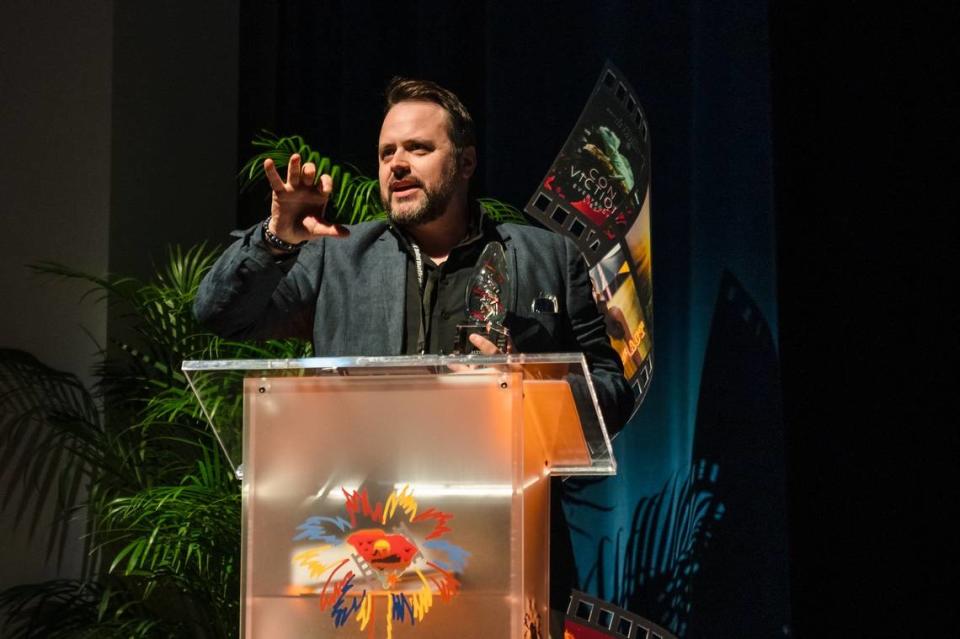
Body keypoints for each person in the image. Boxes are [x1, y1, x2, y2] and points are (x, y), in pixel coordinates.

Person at [194, 77, 633, 432]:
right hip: (370, 517)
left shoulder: (549, 257)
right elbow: (219, 314)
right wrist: (277, 237)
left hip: (508, 511)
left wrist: (530, 388)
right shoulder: (337, 257)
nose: (396, 165)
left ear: (465, 164)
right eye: (387, 153)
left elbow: (613, 394)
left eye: (418, 148)